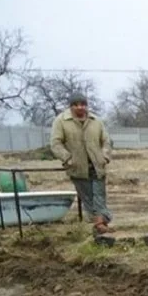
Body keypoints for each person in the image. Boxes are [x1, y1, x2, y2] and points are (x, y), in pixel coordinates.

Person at [50, 93, 114, 234]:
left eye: (83, 104)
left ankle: (99, 223)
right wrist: (67, 158)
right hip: (77, 167)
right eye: (76, 104)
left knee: (99, 195)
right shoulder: (61, 121)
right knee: (87, 196)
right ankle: (99, 222)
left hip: (97, 165)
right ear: (71, 106)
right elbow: (55, 144)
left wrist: (105, 156)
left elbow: (106, 141)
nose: (80, 107)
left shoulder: (96, 120)